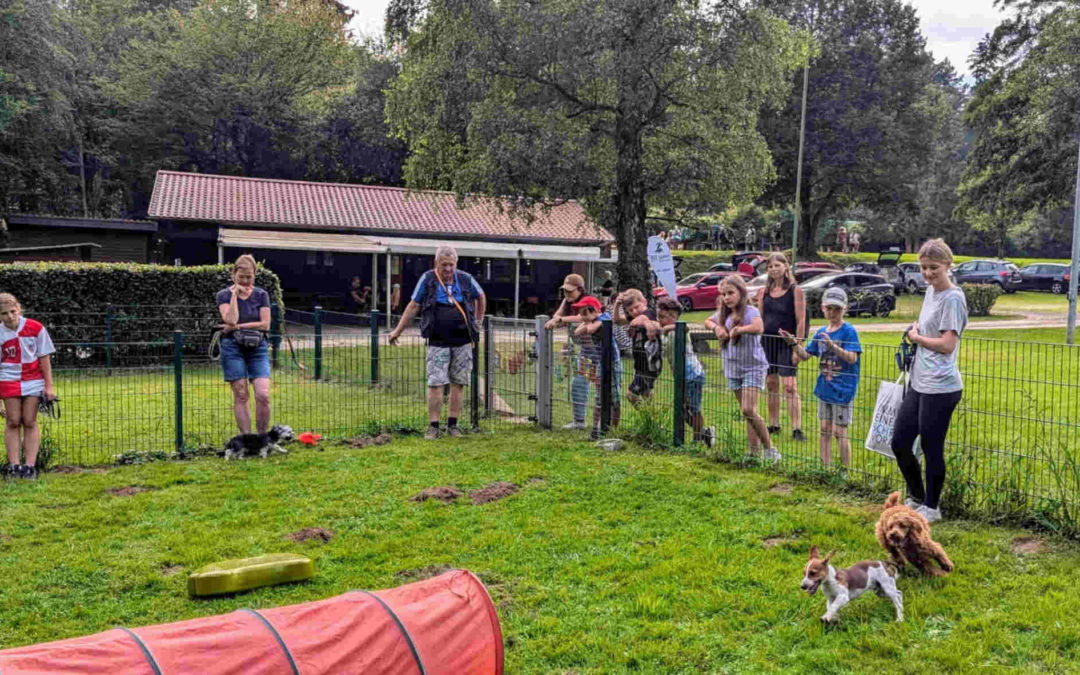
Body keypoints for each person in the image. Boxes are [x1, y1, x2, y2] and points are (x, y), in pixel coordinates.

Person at [889, 238, 968, 523]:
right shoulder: (931, 293)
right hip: (920, 381)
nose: (928, 273)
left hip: (941, 386)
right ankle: (917, 498)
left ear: (948, 265)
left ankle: (932, 508)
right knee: (899, 442)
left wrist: (918, 338)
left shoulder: (953, 298)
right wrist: (915, 330)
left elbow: (948, 344)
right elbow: (927, 327)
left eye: (934, 267)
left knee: (931, 448)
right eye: (923, 268)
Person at [388, 246, 485, 440]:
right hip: (437, 341)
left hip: (463, 341)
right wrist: (397, 331)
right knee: (435, 383)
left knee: (459, 383)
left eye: (451, 265)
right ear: (436, 264)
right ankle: (434, 427)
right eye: (444, 265)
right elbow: (413, 305)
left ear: (455, 264)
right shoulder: (428, 279)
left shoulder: (465, 279)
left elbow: (480, 296)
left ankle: (453, 425)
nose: (448, 269)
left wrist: (478, 321)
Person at [782, 287, 861, 469]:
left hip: (843, 389)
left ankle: (844, 470)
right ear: (823, 308)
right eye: (829, 308)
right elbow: (805, 355)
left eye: (837, 309)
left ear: (845, 309)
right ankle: (825, 468)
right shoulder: (820, 332)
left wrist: (833, 346)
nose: (833, 312)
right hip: (825, 388)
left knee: (839, 431)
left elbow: (852, 357)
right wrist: (793, 343)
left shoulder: (849, 331)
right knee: (824, 428)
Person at [704, 276, 779, 462]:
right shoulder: (724, 315)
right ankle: (753, 452)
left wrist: (740, 330)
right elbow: (707, 321)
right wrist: (716, 328)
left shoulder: (750, 311)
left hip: (752, 366)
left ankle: (771, 450)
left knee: (748, 409)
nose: (727, 298)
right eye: (723, 294)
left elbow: (758, 327)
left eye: (730, 293)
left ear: (741, 292)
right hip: (733, 367)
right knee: (748, 412)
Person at [216, 254, 273, 441]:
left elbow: (265, 324)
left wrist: (238, 326)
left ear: (255, 274)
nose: (246, 281)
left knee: (263, 394)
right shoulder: (223, 295)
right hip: (232, 347)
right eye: (241, 277)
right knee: (241, 394)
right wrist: (234, 296)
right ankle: (247, 440)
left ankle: (263, 439)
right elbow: (230, 319)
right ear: (233, 274)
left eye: (249, 277)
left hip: (258, 346)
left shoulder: (262, 295)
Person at [0, 293, 55, 480]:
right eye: (4, 313)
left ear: (19, 309)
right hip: (8, 379)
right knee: (13, 421)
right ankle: (14, 466)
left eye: (12, 311)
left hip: (33, 380)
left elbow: (44, 357)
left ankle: (29, 466)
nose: (9, 316)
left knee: (30, 421)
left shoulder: (36, 328)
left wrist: (49, 387)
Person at [757, 252, 806, 442]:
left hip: (787, 342)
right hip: (767, 342)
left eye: (777, 265)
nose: (774, 269)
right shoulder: (764, 292)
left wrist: (797, 346)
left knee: (790, 386)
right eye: (770, 266)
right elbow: (760, 319)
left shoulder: (796, 290)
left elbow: (801, 320)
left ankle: (796, 428)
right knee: (771, 383)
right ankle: (774, 424)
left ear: (786, 267)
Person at [656, 297, 713, 447]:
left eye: (663, 317)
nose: (660, 320)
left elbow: (685, 327)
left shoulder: (679, 329)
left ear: (674, 317)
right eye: (658, 317)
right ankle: (703, 433)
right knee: (682, 407)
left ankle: (698, 438)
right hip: (680, 375)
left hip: (692, 374)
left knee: (693, 407)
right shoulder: (664, 331)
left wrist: (667, 328)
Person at [545, 274, 590, 429]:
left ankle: (607, 423)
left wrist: (560, 320)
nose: (567, 294)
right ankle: (579, 421)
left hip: (598, 349)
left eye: (570, 291)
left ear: (580, 290)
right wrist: (556, 319)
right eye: (565, 291)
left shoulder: (588, 301)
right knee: (578, 383)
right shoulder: (567, 301)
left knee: (603, 386)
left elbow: (580, 318)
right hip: (584, 350)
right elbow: (557, 314)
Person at [572, 296, 621, 439]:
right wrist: (586, 320)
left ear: (594, 310)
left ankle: (613, 430)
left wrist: (586, 322)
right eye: (581, 313)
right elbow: (577, 332)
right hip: (601, 362)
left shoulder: (604, 318)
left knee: (614, 397)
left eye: (584, 313)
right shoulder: (593, 320)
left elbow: (590, 329)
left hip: (612, 363)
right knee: (599, 396)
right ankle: (596, 428)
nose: (582, 316)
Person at [616, 288, 664, 403]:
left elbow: (639, 320)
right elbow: (617, 320)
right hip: (640, 364)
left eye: (636, 307)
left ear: (645, 302)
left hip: (650, 364)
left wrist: (632, 325)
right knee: (646, 393)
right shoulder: (635, 317)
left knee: (631, 394)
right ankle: (652, 418)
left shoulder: (649, 313)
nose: (634, 311)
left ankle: (647, 417)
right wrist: (617, 305)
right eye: (630, 310)